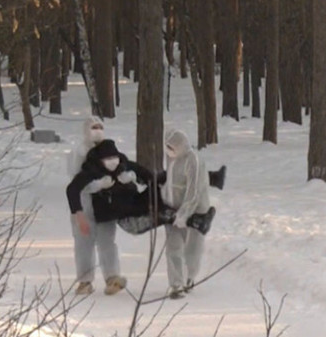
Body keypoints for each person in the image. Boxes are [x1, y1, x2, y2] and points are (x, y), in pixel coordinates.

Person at [67, 139, 218, 237]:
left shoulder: (123, 165)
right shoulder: (93, 171)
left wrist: (134, 177)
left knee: (163, 183)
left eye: (114, 158)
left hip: (136, 203)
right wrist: (78, 214)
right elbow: (72, 189)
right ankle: (197, 222)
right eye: (108, 160)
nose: (112, 162)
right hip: (124, 217)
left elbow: (149, 177)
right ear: (100, 161)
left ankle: (209, 178)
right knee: (163, 214)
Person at [66, 116, 126, 296]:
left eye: (100, 127)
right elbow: (76, 182)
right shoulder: (79, 151)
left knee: (107, 241)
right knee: (84, 243)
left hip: (105, 203)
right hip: (84, 204)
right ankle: (85, 281)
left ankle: (112, 277)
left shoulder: (108, 149)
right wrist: (98, 185)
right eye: (94, 127)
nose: (98, 130)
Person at [161, 129, 212, 299]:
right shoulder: (169, 157)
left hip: (196, 210)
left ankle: (189, 277)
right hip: (173, 208)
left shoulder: (193, 160)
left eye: (172, 147)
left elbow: (194, 190)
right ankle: (176, 285)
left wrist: (185, 214)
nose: (169, 150)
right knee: (173, 246)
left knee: (193, 247)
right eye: (167, 146)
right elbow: (170, 182)